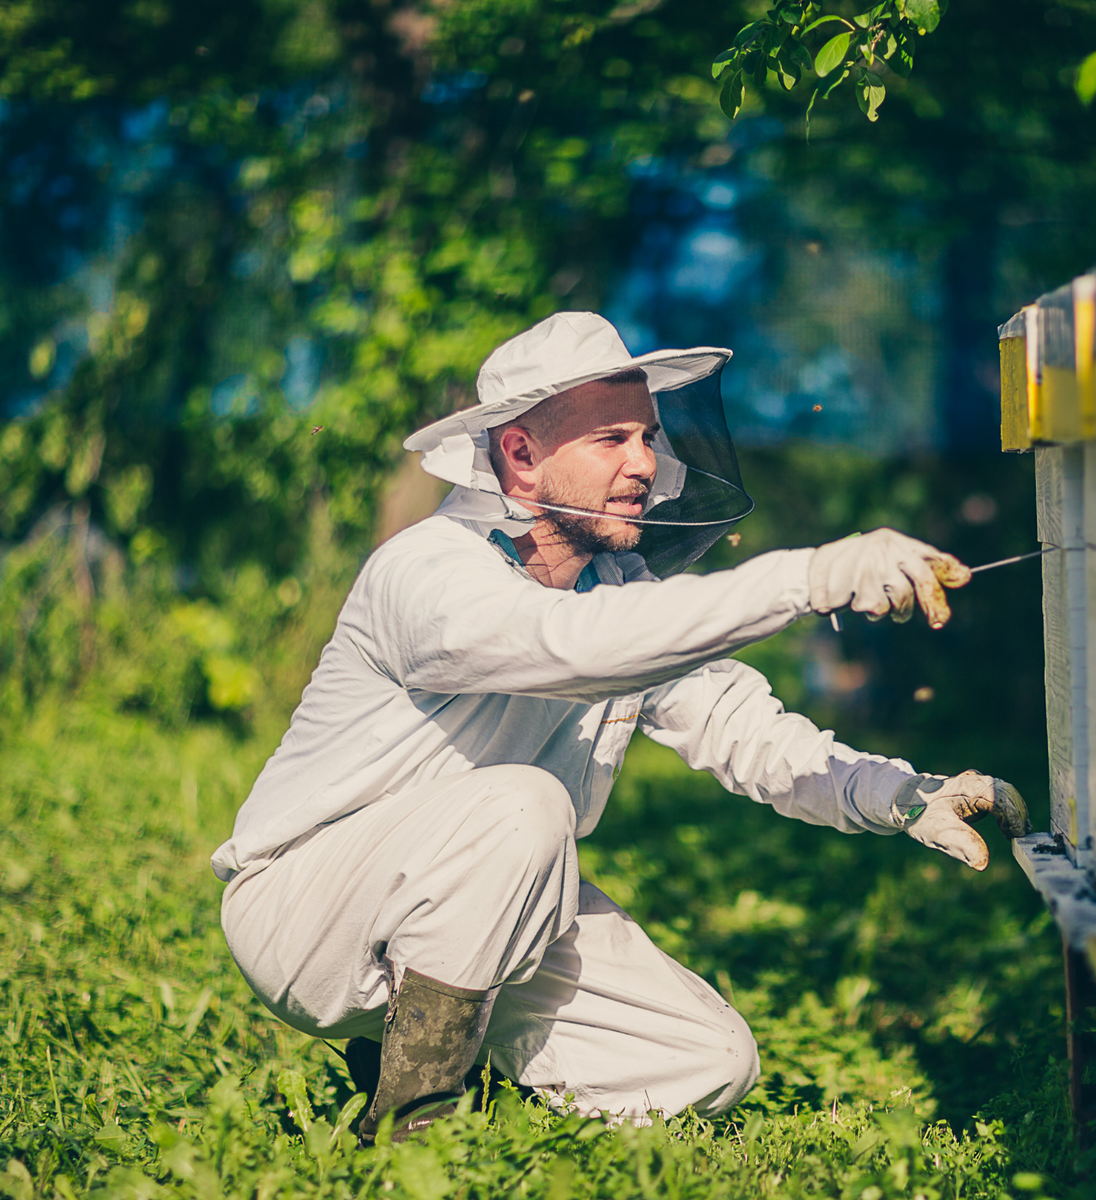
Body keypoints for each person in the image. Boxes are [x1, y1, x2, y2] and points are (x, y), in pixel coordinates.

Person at [210, 312, 1030, 1145]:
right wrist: (805, 576)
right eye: (611, 439)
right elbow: (568, 649)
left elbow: (739, 725)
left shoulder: (613, 585)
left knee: (707, 1060)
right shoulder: (426, 572)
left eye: (648, 435)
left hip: (484, 905)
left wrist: (898, 794)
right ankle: (409, 1138)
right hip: (307, 912)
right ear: (520, 454)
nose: (645, 464)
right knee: (522, 806)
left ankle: (460, 1078)